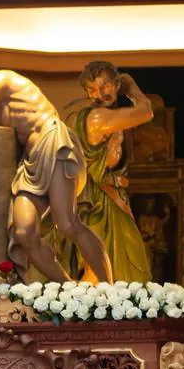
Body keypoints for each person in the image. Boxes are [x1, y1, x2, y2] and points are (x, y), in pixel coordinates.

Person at [0, 70, 113, 283]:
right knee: (23, 233)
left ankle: (108, 288)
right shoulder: (1, 116)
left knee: (67, 223)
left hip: (52, 142)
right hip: (29, 162)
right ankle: (71, 290)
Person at [55, 60, 153, 283]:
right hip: (97, 201)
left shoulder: (106, 115)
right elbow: (146, 111)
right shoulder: (97, 118)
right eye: (91, 90)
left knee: (118, 268)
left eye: (105, 86)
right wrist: (131, 85)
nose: (99, 94)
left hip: (112, 198)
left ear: (115, 85)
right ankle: (96, 315)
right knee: (100, 268)